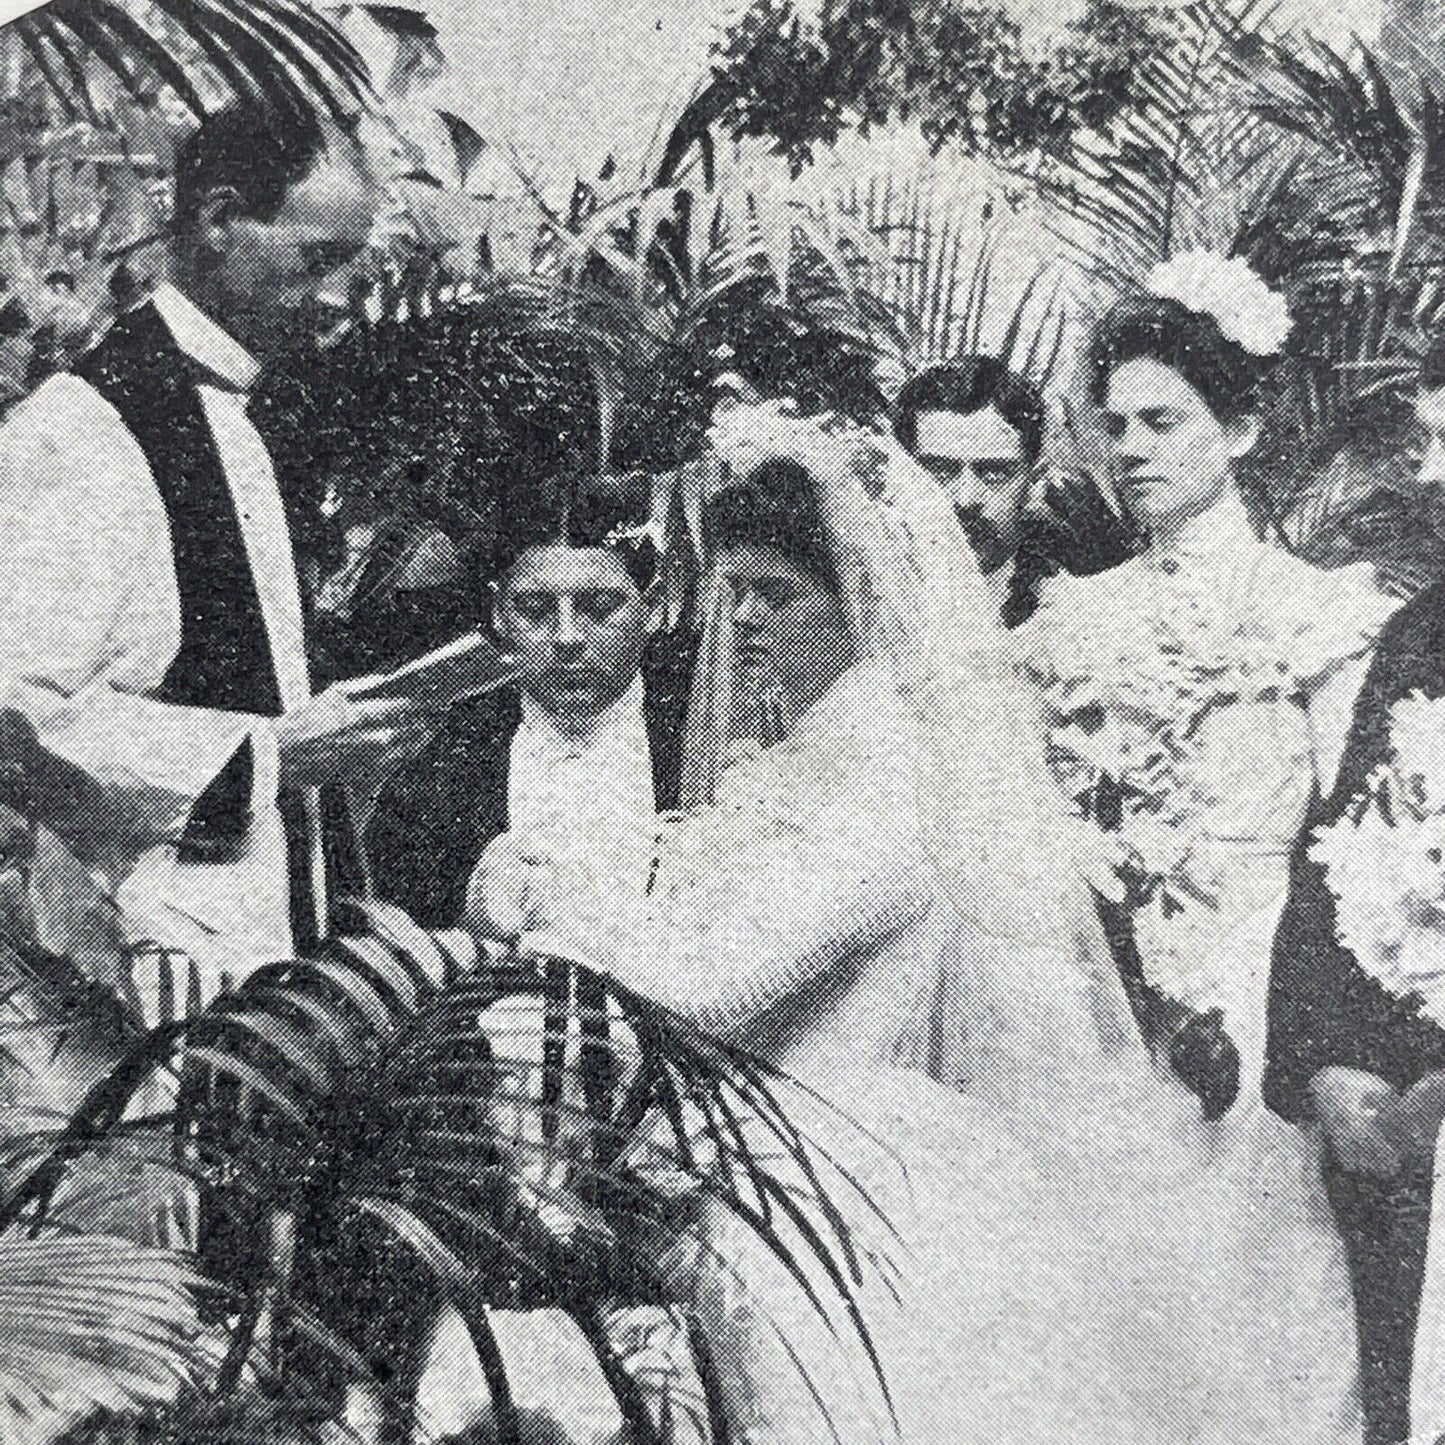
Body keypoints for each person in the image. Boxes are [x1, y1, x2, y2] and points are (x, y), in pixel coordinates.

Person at [468, 397, 1365, 1445]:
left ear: (861, 597)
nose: (743, 620)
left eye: (775, 592)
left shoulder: (894, 773)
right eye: (733, 591)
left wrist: (533, 906)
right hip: (763, 1153)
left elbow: (713, 979)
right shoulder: (809, 752)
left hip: (842, 1172)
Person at [1021, 256, 1395, 1443]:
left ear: (1237, 425)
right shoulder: (1068, 618)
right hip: (1104, 987)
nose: (1128, 447)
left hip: (1267, 972)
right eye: (1111, 422)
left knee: (1263, 1295)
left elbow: (1361, 833)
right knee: (1117, 1293)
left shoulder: (1320, 610)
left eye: (1161, 419)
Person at [0, 101, 430, 994]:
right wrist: (271, 753)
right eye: (319, 260)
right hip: (140, 939)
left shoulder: (238, 407)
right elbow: (23, 716)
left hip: (255, 917)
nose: (343, 297)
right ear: (222, 221)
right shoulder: (84, 428)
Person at [1268, 342, 1445, 1445]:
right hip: (1397, 1134)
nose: (1427, 477)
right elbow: (1337, 853)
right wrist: (1330, 1059)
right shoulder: (1421, 631)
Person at [367, 470, 692, 929]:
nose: (567, 638)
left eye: (599, 608)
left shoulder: (701, 729)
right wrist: (467, 913)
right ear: (498, 613)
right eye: (534, 609)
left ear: (653, 607)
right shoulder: (440, 754)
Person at [893, 354, 1136, 627]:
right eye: (939, 472)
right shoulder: (867, 605)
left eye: (995, 473)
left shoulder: (1080, 617)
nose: (966, 499)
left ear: (1034, 479)